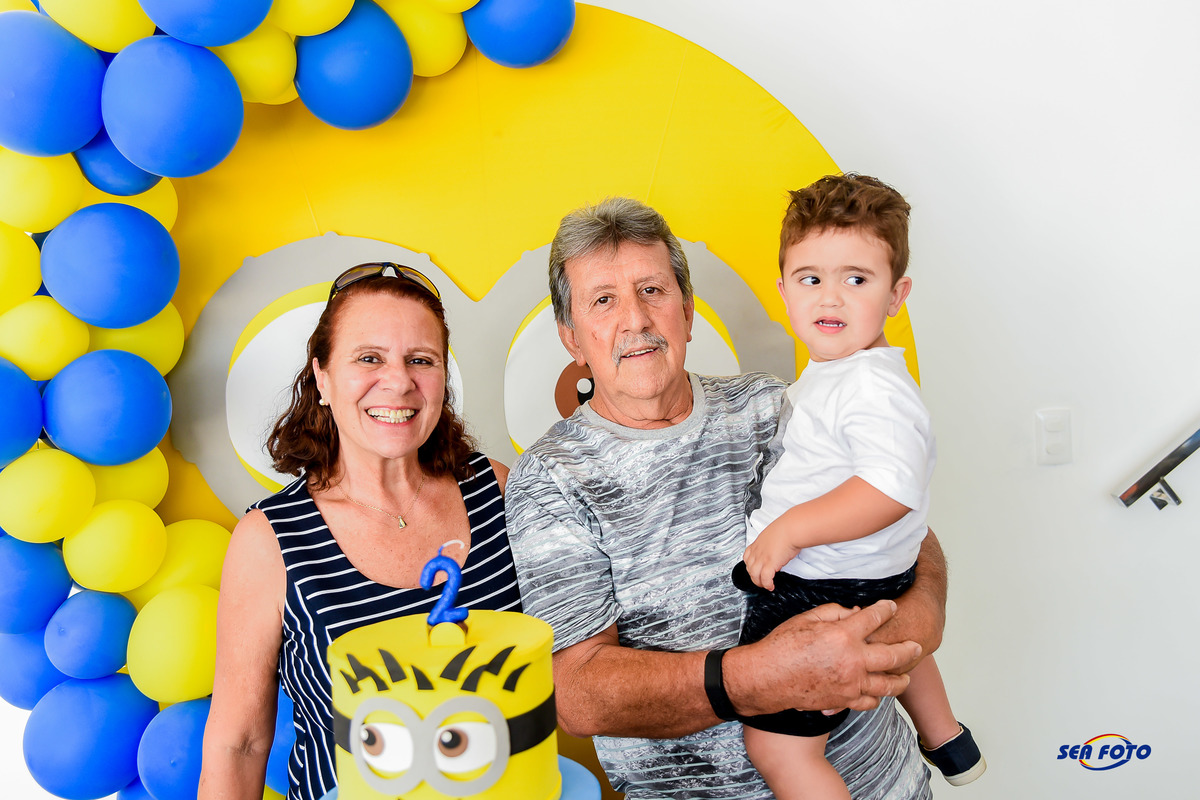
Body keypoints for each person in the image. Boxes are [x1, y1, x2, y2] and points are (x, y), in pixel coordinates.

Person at [505, 196, 946, 799]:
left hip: (885, 783)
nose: (635, 319)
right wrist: (761, 678)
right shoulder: (551, 479)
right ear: (572, 338)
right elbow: (579, 695)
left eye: (652, 291)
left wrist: (915, 624)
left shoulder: (771, 405)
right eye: (603, 300)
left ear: (687, 312)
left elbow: (898, 523)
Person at [198, 263, 523, 800]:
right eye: (369, 358)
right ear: (323, 378)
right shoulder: (269, 540)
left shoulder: (497, 490)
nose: (399, 382)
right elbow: (240, 744)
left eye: (421, 360)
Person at [735, 174, 985, 800]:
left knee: (778, 748)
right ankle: (948, 740)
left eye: (856, 279)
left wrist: (790, 529)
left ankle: (941, 738)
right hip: (872, 571)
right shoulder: (842, 374)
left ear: (897, 295)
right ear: (783, 290)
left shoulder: (869, 386)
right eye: (810, 279)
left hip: (825, 579)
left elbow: (889, 489)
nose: (831, 297)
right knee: (898, 636)